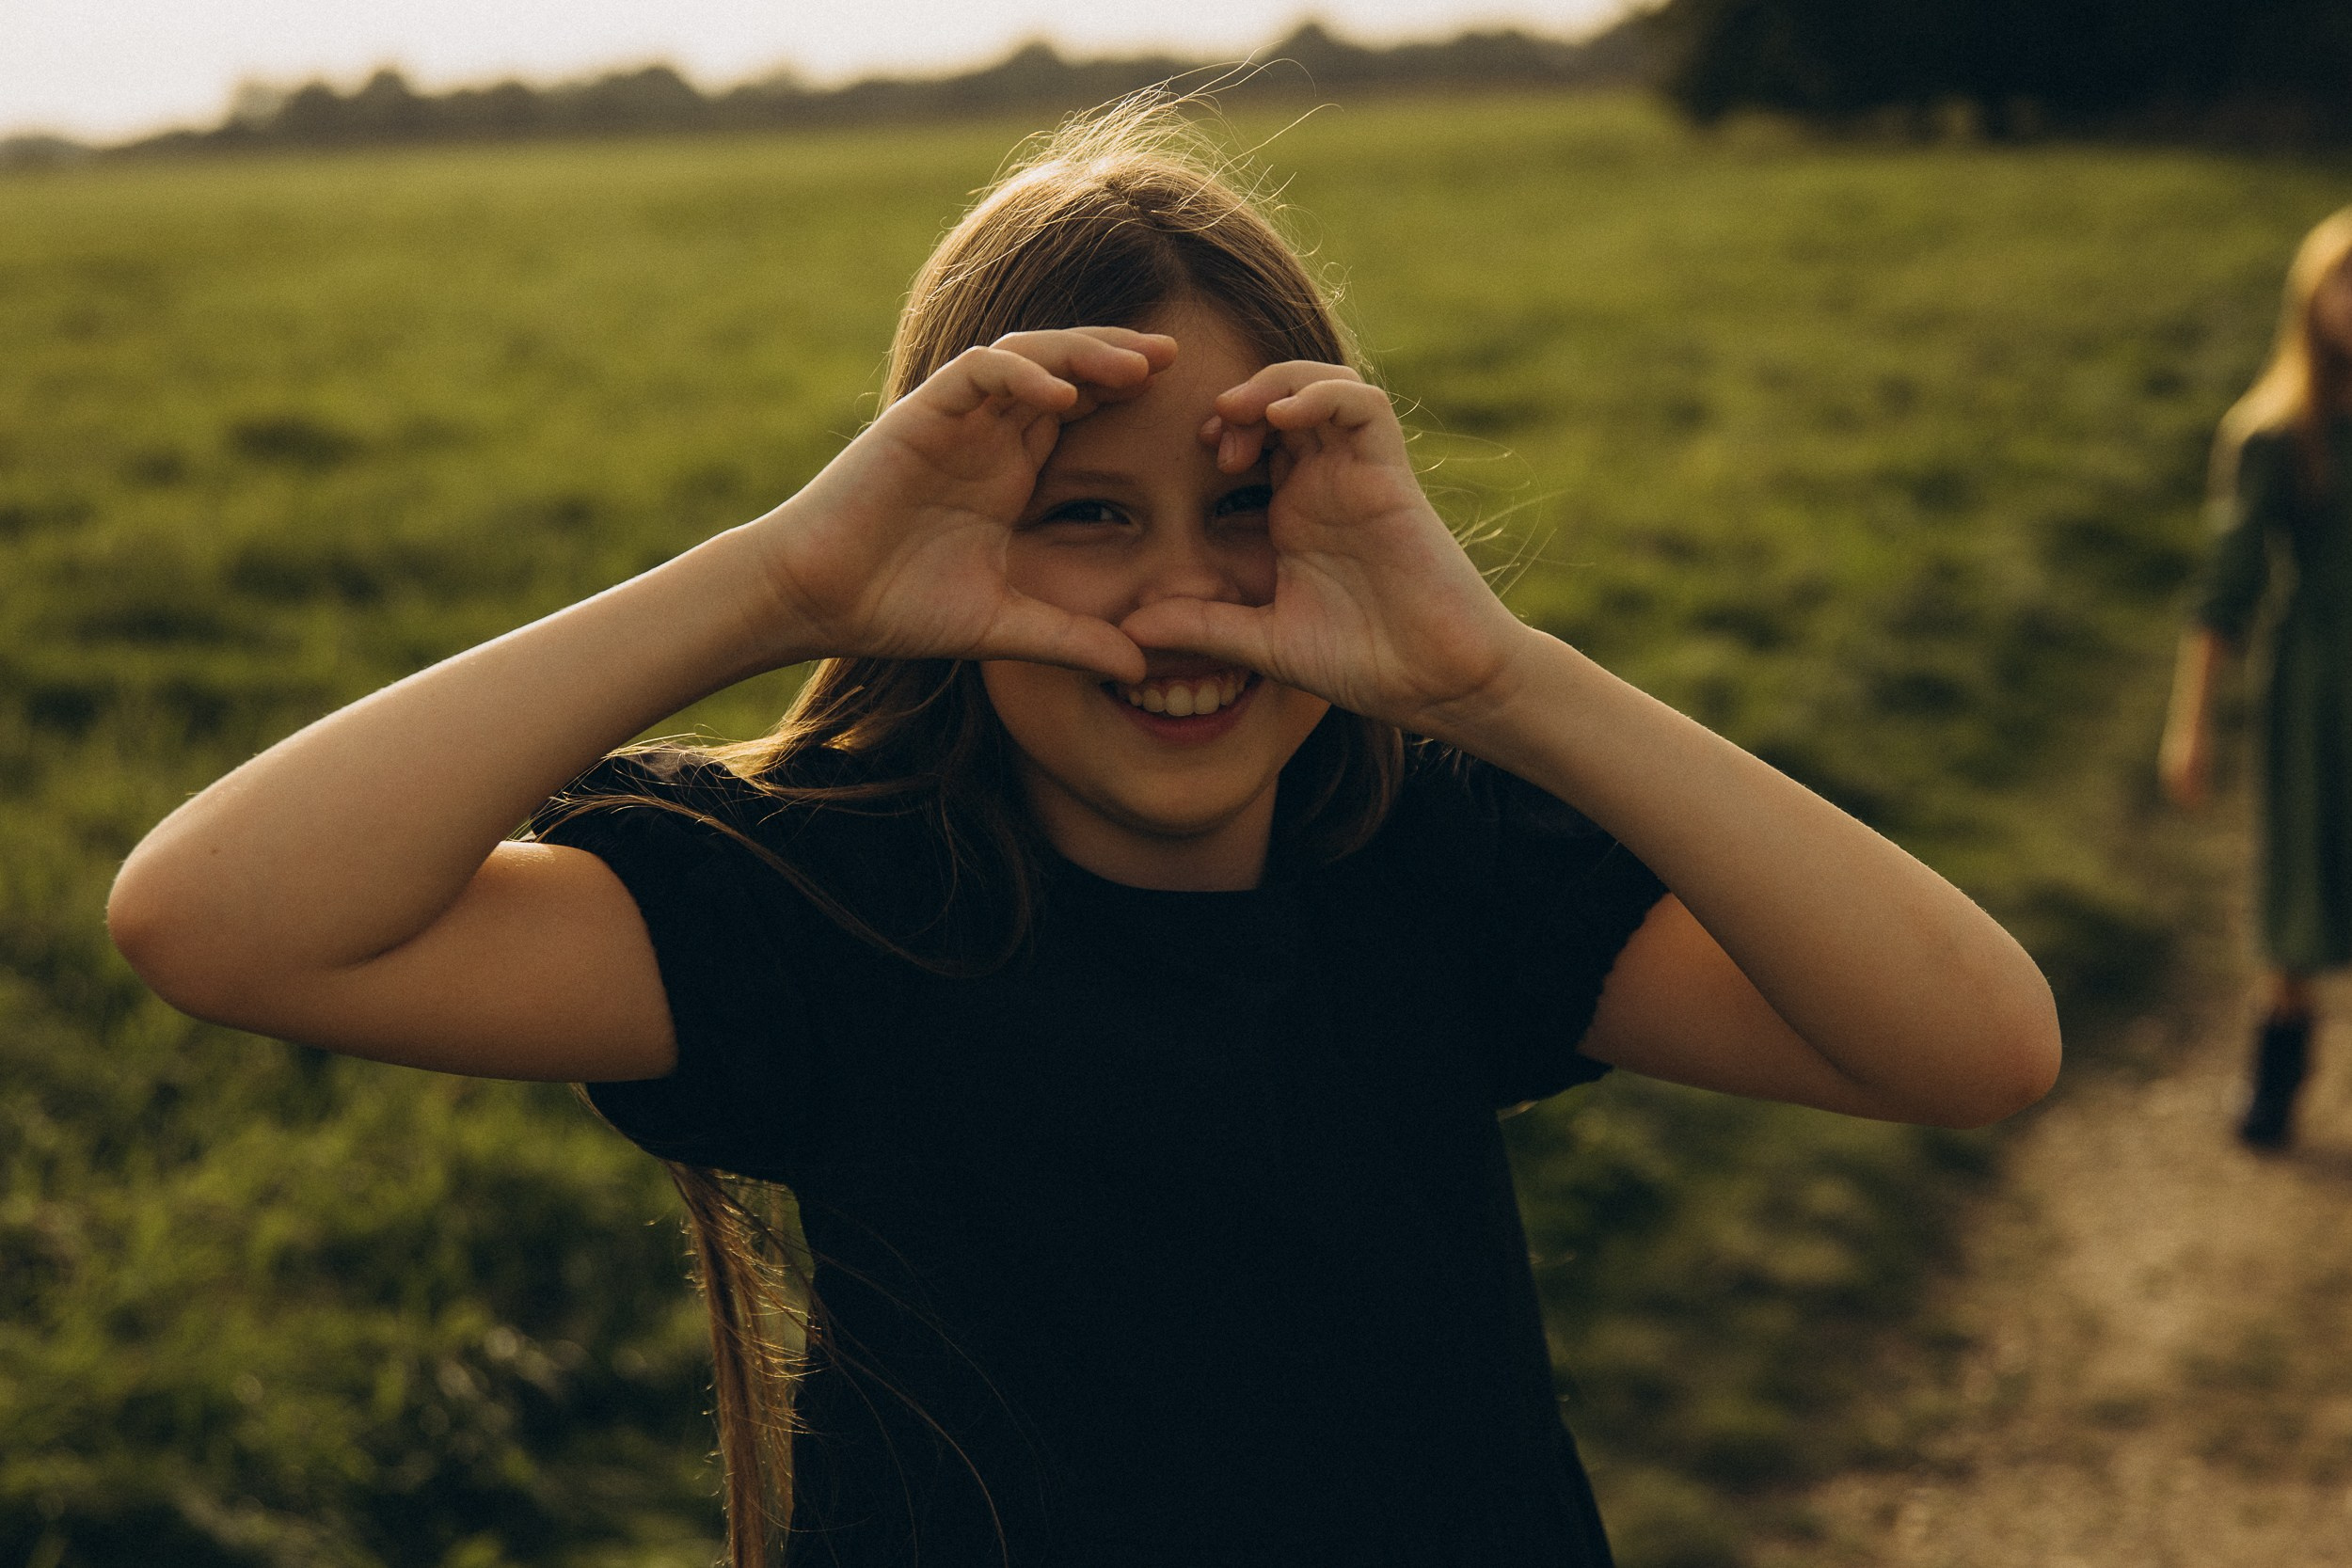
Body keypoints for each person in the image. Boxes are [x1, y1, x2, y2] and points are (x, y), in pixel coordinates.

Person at [106, 103, 2059, 1568]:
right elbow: (218, 918)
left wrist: (1488, 675)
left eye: (1243, 510)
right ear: (941, 539)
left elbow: (1973, 1044)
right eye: (1087, 514)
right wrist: (784, 579)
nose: (1182, 602)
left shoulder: (1426, 856)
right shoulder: (822, 905)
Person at [2162, 206, 2352, 1151]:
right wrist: (2188, 724)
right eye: (2346, 279)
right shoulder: (2276, 435)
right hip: (2320, 686)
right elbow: (2222, 592)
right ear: (2308, 297)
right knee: (2301, 875)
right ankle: (2277, 1079)